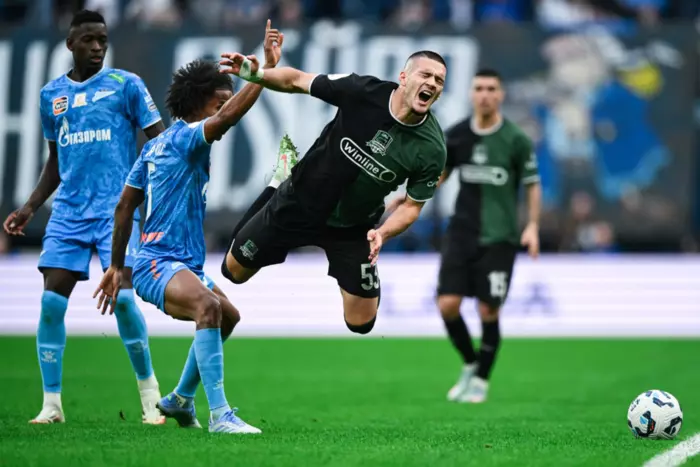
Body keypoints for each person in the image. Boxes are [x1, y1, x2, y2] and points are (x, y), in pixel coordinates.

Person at [93, 20, 283, 434]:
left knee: (228, 317)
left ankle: (179, 399)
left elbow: (125, 207)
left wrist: (116, 265)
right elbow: (228, 119)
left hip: (176, 263)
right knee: (208, 308)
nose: (224, 107)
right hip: (159, 263)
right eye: (219, 101)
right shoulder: (185, 139)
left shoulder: (154, 147)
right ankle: (220, 416)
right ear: (198, 103)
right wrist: (265, 73)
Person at [2, 10, 166, 424]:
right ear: (70, 44)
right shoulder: (51, 96)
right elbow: (56, 160)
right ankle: (51, 405)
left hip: (117, 213)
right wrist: (29, 207)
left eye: (102, 40)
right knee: (50, 305)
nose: (97, 47)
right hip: (69, 215)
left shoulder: (126, 85)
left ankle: (150, 396)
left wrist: (159, 194)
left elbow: (160, 142)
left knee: (124, 300)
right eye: (89, 40)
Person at [217, 49, 448, 334]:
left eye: (439, 80)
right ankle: (276, 184)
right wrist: (258, 74)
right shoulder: (362, 91)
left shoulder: (433, 148)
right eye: (426, 75)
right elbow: (296, 80)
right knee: (233, 272)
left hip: (354, 227)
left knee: (361, 323)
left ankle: (349, 273)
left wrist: (383, 233)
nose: (432, 83)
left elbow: (412, 206)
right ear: (404, 77)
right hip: (298, 203)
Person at [406, 68, 541, 403]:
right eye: (479, 88)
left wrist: (532, 226)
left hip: (499, 237)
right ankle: (470, 361)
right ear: (471, 94)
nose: (485, 94)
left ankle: (481, 380)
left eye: (491, 89)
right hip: (461, 232)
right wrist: (411, 198)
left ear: (501, 95)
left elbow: (532, 184)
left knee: (488, 311)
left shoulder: (516, 139)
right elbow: (440, 175)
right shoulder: (457, 135)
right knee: (447, 304)